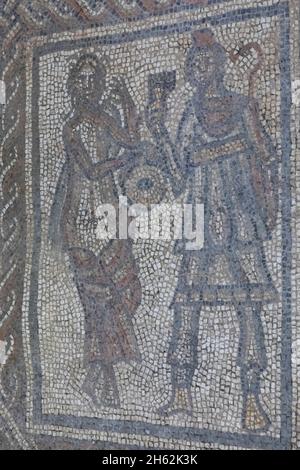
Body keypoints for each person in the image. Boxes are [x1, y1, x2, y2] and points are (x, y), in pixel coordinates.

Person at [155, 29, 279, 431]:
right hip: (199, 219)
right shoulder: (190, 114)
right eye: (194, 62)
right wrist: (157, 129)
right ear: (190, 71)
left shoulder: (243, 105)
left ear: (222, 65)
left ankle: (252, 399)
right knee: (186, 306)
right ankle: (180, 392)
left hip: (240, 218)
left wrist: (255, 128)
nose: (200, 67)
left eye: (207, 61)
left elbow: (265, 152)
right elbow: (176, 177)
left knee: (248, 306)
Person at [49, 54, 142, 408]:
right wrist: (121, 161)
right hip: (81, 222)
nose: (88, 86)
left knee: (129, 289)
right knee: (97, 304)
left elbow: (131, 140)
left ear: (101, 83)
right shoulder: (72, 126)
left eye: (94, 79)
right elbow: (89, 171)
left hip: (111, 217)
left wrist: (127, 101)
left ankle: (93, 378)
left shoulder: (107, 117)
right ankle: (105, 381)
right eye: (81, 80)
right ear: (73, 86)